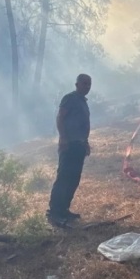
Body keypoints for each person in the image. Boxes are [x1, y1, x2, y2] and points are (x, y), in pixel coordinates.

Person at [47, 73, 92, 226]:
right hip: (69, 145)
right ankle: (54, 213)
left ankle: (64, 209)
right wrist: (63, 137)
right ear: (77, 84)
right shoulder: (70, 98)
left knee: (74, 178)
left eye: (89, 84)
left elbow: (83, 124)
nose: (87, 86)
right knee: (64, 177)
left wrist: (85, 143)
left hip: (79, 145)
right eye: (84, 83)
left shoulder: (83, 102)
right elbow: (60, 117)